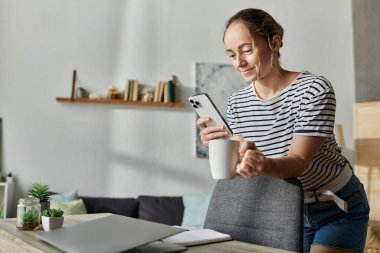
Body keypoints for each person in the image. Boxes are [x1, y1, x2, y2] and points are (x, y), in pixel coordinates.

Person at [197, 8, 369, 253]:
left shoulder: (314, 90)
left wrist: (261, 165)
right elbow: (241, 164)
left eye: (247, 50)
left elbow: (297, 162)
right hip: (284, 209)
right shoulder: (236, 102)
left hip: (336, 207)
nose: (239, 62)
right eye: (232, 54)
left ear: (274, 42)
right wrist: (219, 148)